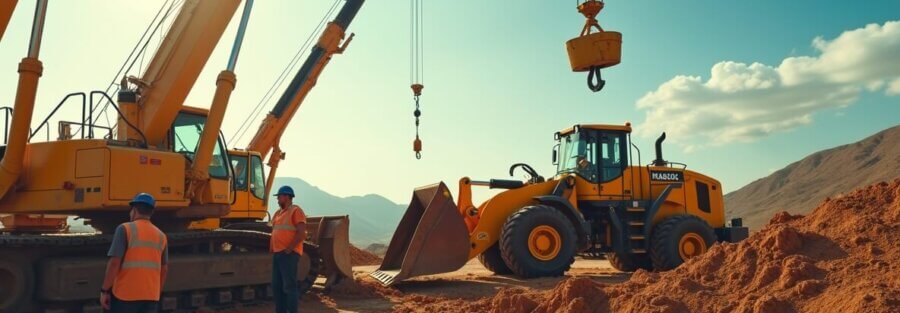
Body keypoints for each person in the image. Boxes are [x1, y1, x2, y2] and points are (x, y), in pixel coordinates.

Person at [100, 193, 169, 313]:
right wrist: (156, 293)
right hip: (150, 296)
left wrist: (105, 291)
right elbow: (164, 269)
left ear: (134, 210)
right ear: (151, 212)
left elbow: (114, 263)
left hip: (125, 295)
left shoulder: (125, 229)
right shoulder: (161, 236)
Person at [270, 186, 307, 313]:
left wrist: (290, 248)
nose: (277, 199)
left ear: (286, 196)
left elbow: (301, 233)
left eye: (279, 196)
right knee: (277, 287)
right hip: (278, 253)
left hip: (288, 254)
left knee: (289, 287)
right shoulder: (277, 213)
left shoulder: (296, 211)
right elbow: (275, 231)